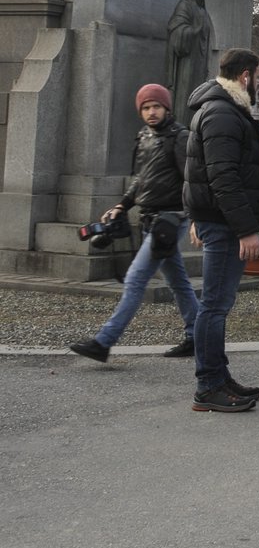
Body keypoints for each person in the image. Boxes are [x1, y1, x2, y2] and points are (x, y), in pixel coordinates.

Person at [69, 84, 198, 363]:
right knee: (178, 282)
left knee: (136, 278)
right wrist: (121, 205)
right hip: (150, 219)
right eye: (146, 107)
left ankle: (104, 341)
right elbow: (141, 180)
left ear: (167, 108)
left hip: (170, 220)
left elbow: (192, 180)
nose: (151, 112)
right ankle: (198, 336)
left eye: (156, 106)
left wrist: (195, 218)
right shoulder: (145, 136)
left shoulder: (180, 137)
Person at [182, 49, 259, 412]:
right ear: (246, 76)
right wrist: (247, 230)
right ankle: (208, 386)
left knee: (217, 304)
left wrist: (196, 215)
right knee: (214, 306)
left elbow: (202, 170)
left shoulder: (223, 108)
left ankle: (219, 376)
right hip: (224, 224)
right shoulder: (221, 111)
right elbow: (222, 176)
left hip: (217, 219)